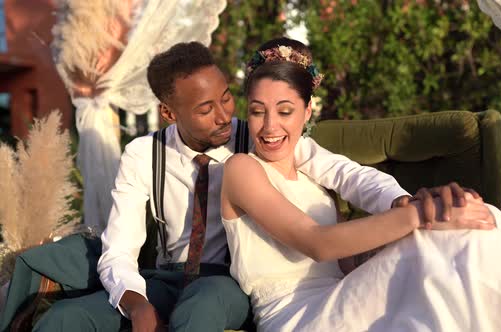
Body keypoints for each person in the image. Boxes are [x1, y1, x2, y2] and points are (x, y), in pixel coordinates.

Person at [28, 40, 469, 332]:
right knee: (65, 319)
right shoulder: (143, 154)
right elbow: (120, 247)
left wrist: (400, 199)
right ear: (169, 113)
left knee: (197, 314)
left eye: (226, 98)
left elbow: (347, 173)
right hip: (163, 273)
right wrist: (134, 301)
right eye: (206, 108)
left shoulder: (262, 135)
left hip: (223, 281)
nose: (225, 115)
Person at [219, 42, 501, 331]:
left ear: (307, 111)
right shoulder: (242, 169)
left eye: (284, 111)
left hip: (342, 295)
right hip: (298, 316)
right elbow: (317, 243)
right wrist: (419, 215)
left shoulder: (308, 160)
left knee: (477, 220)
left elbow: (358, 178)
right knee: (448, 230)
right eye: (256, 111)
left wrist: (409, 206)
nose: (269, 127)